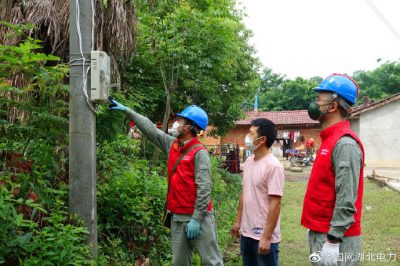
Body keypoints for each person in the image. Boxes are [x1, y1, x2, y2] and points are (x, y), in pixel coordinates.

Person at [108, 99, 224, 266]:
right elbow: (151, 130)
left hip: (200, 218)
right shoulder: (172, 145)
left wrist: (197, 219)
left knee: (211, 262)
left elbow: (205, 188)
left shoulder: (200, 153)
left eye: (181, 121)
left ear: (189, 127)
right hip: (177, 216)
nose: (176, 123)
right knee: (179, 262)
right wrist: (129, 111)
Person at [301, 74, 365, 265]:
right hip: (323, 232)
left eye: (319, 99)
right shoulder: (329, 139)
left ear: (333, 106)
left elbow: (346, 197)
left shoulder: (345, 143)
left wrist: (333, 240)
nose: (315, 104)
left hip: (336, 240)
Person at [231, 118, 285, 266]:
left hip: (262, 236)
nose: (247, 137)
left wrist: (267, 237)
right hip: (246, 233)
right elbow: (245, 192)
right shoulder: (248, 162)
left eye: (251, 133)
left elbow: (276, 204)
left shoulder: (274, 167)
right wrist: (238, 221)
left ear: (262, 140)